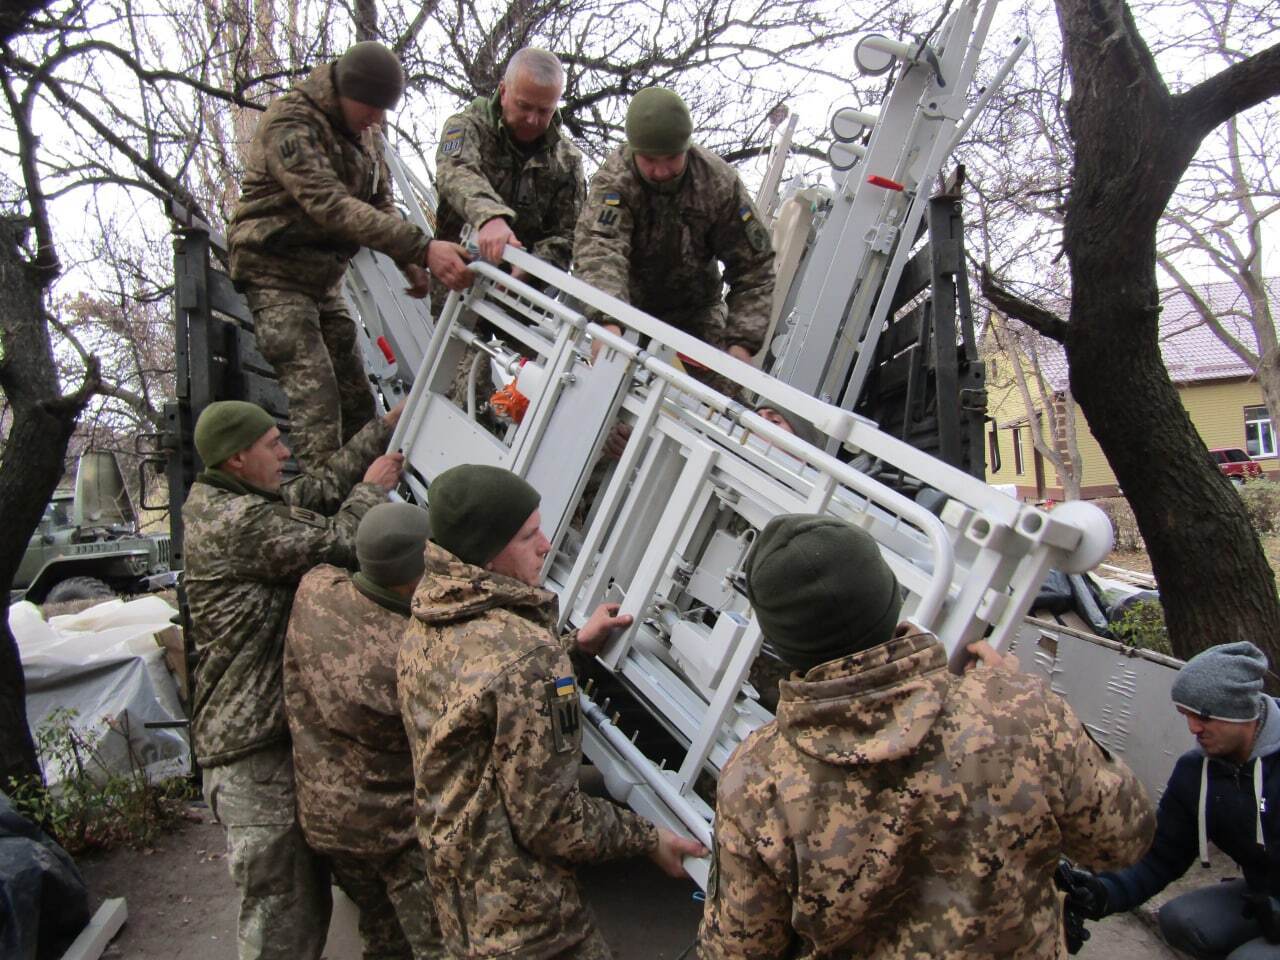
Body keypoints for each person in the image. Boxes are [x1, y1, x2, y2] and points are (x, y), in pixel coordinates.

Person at [696, 513, 1156, 959]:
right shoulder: (1015, 711)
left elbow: (738, 950)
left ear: (781, 639)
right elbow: (1124, 840)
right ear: (891, 597)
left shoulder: (756, 778)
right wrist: (1020, 696)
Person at [398, 464, 707, 958]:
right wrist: (649, 839)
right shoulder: (525, 658)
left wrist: (572, 649)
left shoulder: (433, 611)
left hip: (462, 894)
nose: (545, 544)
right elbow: (552, 819)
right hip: (527, 923)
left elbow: (486, 689)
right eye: (527, 536)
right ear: (487, 552)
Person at [183, 399, 404, 960]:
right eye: (272, 445)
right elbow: (343, 541)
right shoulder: (239, 524)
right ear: (237, 458)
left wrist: (382, 427)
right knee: (284, 919)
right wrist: (372, 492)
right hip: (251, 757)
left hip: (267, 742)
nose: (285, 453)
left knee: (309, 903)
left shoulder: (235, 499)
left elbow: (317, 489)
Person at [228, 40, 472, 468]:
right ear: (345, 92)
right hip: (276, 277)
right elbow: (330, 206)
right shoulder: (291, 123)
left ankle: (367, 510)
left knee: (359, 403)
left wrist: (408, 260)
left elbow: (378, 198)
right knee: (318, 405)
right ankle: (323, 515)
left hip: (323, 284)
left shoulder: (363, 132)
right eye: (372, 108)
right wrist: (422, 247)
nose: (377, 119)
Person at [283, 501, 444, 960]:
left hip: (327, 822)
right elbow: (493, 686)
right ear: (417, 574)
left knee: (382, 934)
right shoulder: (410, 655)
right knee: (440, 942)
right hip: (395, 835)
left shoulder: (314, 591)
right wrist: (575, 644)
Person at [1064, 641, 1280, 960]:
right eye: (1186, 715)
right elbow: (1161, 856)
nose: (1193, 728)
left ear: (1241, 712)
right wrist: (1102, 893)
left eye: (1205, 717)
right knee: (1181, 920)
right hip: (1266, 894)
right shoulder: (1196, 771)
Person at [573, 87, 775, 375]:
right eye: (650, 161)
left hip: (696, 314)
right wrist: (607, 323)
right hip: (625, 308)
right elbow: (599, 250)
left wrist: (741, 343)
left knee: (723, 396)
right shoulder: (616, 179)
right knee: (609, 384)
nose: (661, 170)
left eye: (671, 158)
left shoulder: (718, 183)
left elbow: (755, 267)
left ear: (686, 147)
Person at [434, 47, 585, 277]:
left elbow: (570, 234)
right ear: (503, 92)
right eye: (524, 106)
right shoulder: (466, 127)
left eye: (544, 111)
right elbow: (455, 171)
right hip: (458, 281)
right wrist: (489, 216)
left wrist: (534, 267)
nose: (533, 119)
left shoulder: (568, 161)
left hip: (521, 299)